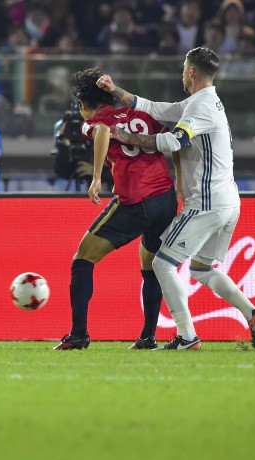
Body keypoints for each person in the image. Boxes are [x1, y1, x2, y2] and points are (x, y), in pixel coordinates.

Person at [98, 46, 255, 349]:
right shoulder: (205, 101)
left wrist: (125, 136)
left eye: (182, 68)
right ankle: (253, 314)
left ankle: (187, 335)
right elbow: (155, 108)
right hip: (228, 201)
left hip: (207, 202)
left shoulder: (201, 107)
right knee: (201, 269)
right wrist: (116, 92)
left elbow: (175, 140)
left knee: (163, 264)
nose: (181, 73)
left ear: (191, 71)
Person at [53, 67, 177, 351]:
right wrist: (180, 184)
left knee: (82, 258)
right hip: (166, 197)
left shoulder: (93, 120)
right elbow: (173, 143)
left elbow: (101, 131)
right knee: (152, 266)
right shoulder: (142, 114)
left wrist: (97, 177)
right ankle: (148, 337)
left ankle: (79, 334)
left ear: (83, 104)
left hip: (135, 200)